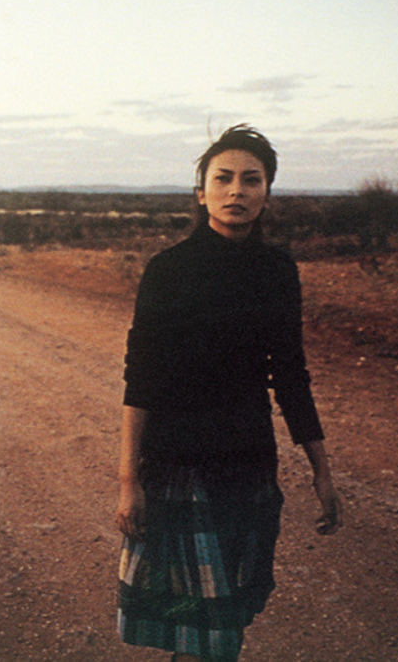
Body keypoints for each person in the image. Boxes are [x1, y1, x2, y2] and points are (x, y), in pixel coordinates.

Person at [114, 125, 343, 662]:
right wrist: (128, 480)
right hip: (178, 466)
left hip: (248, 465)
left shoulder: (278, 271)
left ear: (267, 194)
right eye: (223, 178)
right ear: (201, 193)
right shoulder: (169, 270)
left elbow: (291, 375)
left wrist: (322, 471)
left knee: (224, 625)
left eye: (251, 179)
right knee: (199, 631)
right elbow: (141, 377)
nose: (237, 190)